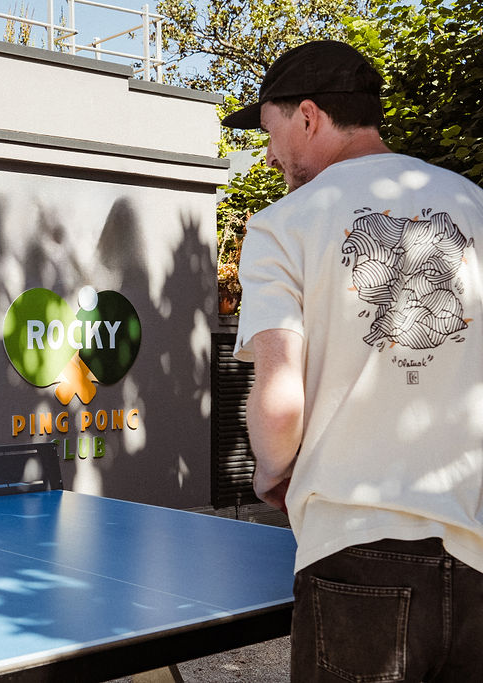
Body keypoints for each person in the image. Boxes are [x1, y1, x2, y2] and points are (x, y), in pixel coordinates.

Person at [224, 40, 483, 680]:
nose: (270, 153)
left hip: (352, 553)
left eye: (269, 130)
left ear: (308, 116)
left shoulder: (284, 226)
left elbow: (280, 401)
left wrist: (269, 474)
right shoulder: (476, 206)